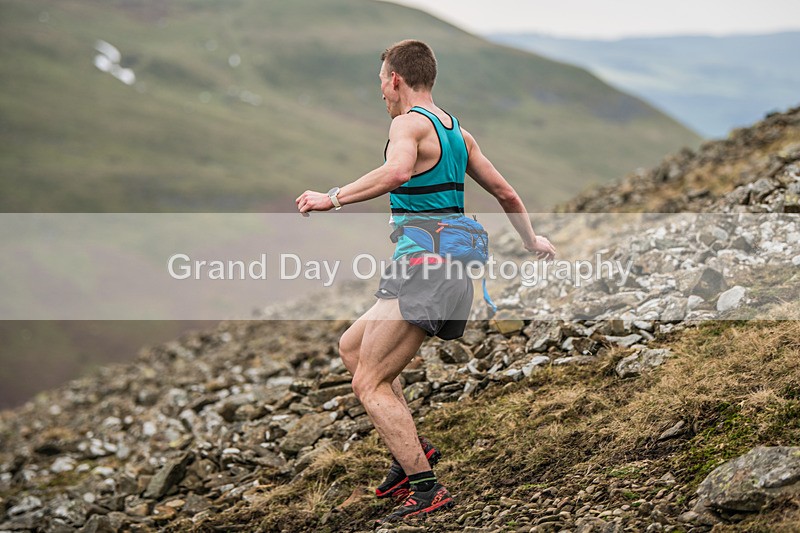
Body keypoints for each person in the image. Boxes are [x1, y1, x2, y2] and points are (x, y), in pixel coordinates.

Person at [295, 39, 556, 525]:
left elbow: (396, 173)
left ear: (395, 79)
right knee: (352, 348)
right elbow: (505, 192)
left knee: (369, 383)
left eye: (381, 81)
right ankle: (411, 448)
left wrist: (332, 198)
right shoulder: (458, 133)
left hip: (428, 270)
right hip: (433, 267)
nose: (381, 91)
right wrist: (531, 239)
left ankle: (426, 488)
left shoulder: (407, 124)